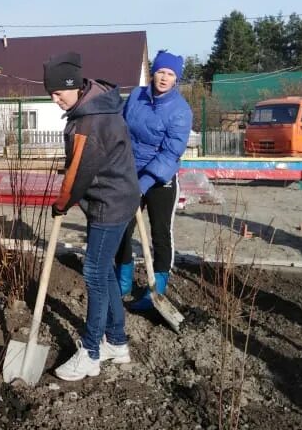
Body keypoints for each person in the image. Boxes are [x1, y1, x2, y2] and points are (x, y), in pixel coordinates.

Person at [43, 52, 141, 381]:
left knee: (94, 274)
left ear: (74, 86)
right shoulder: (95, 106)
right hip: (117, 197)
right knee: (106, 273)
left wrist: (61, 203)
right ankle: (116, 341)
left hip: (108, 204)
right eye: (51, 95)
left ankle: (91, 353)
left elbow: (78, 174)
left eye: (59, 93)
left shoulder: (89, 122)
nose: (56, 100)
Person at [116, 50, 193, 312]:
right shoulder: (136, 96)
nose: (164, 78)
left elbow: (171, 152)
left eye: (170, 74)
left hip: (161, 180)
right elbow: (118, 125)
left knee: (160, 232)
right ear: (153, 72)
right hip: (130, 173)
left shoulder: (181, 110)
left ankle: (156, 289)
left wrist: (145, 182)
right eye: (161, 71)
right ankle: (123, 281)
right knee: (122, 229)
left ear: (176, 79)